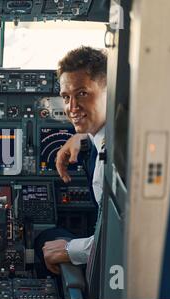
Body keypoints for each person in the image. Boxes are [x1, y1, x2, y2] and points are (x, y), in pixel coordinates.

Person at [34, 46, 107, 278]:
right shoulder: (106, 135)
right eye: (66, 97)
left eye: (82, 93)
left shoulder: (113, 159)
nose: (72, 108)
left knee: (47, 240)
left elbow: (124, 239)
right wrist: (83, 136)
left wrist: (70, 249)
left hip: (110, 268)